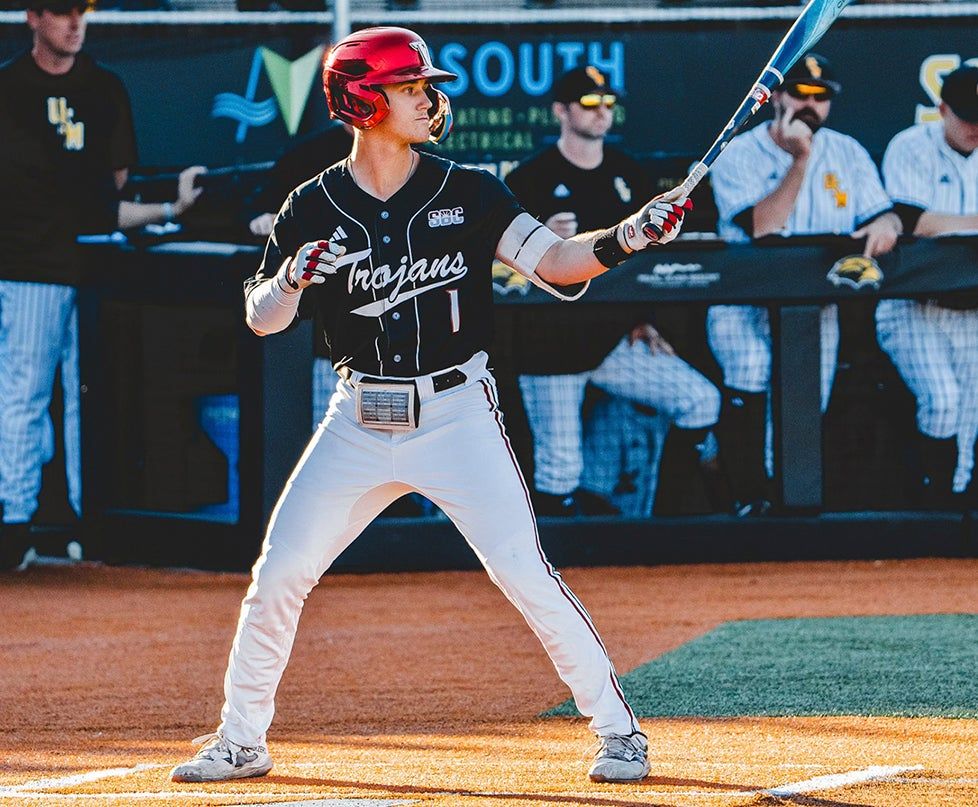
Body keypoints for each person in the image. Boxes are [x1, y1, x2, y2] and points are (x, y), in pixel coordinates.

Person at [169, 26, 692, 786]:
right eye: (410, 86)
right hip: (356, 416)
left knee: (523, 568)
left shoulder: (470, 189)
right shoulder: (312, 204)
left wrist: (629, 235)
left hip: (456, 413)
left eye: (424, 84)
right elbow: (260, 316)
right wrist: (290, 280)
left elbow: (554, 264)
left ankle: (619, 731)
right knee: (280, 571)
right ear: (363, 98)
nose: (428, 96)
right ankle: (243, 738)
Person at [0, 0, 204, 570]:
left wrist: (166, 207)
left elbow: (111, 191)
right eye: (62, 11)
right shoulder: (8, 89)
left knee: (94, 401)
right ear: (33, 17)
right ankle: (14, 526)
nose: (75, 23)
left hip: (97, 268)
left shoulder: (105, 88)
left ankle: (91, 525)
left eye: (82, 11)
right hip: (28, 266)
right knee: (24, 396)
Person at [503, 66, 720, 517]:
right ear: (560, 111)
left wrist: (645, 320)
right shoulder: (529, 178)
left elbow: (648, 256)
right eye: (588, 103)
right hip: (550, 344)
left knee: (700, 400)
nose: (601, 111)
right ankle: (554, 565)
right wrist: (540, 236)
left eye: (607, 103)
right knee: (560, 468)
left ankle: (672, 519)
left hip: (613, 337)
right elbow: (498, 267)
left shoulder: (628, 172)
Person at [707, 53, 901, 515]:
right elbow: (763, 228)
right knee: (751, 367)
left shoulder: (848, 151)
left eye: (821, 96)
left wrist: (888, 224)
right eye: (801, 93)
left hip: (816, 304)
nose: (811, 104)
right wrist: (801, 161)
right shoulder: (737, 151)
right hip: (743, 298)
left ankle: (785, 504)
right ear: (776, 96)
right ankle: (747, 496)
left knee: (807, 399)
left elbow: (883, 212)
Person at [876, 65, 978, 506]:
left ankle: (953, 518)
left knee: (970, 423)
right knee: (941, 401)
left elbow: (941, 224)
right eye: (967, 115)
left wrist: (954, 226)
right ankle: (933, 512)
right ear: (942, 109)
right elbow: (912, 221)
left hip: (972, 310)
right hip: (912, 305)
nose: (976, 126)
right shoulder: (911, 146)